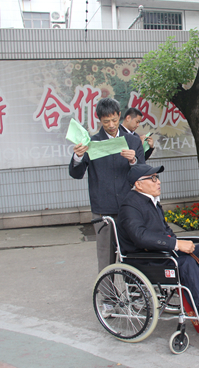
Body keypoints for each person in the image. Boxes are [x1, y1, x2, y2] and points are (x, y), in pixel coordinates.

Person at [117, 164, 199, 332]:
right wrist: (176, 244)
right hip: (146, 259)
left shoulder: (151, 201)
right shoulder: (130, 206)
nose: (159, 182)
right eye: (153, 178)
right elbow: (140, 237)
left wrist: (177, 243)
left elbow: (165, 231)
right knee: (186, 263)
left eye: (157, 177)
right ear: (138, 184)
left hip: (163, 252)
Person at [69, 98, 146, 272]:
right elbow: (76, 173)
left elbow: (143, 174)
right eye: (106, 122)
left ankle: (135, 291)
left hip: (129, 206)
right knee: (105, 254)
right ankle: (108, 296)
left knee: (132, 251)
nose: (111, 125)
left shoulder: (132, 141)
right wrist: (78, 157)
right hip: (103, 208)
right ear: (99, 120)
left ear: (120, 115)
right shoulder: (92, 143)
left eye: (114, 120)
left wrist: (134, 160)